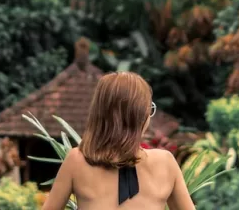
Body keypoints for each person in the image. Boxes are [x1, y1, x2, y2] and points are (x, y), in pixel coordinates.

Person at [41, 72, 194, 210]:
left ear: (99, 113)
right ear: (141, 114)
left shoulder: (77, 160)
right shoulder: (165, 163)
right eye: (149, 108)